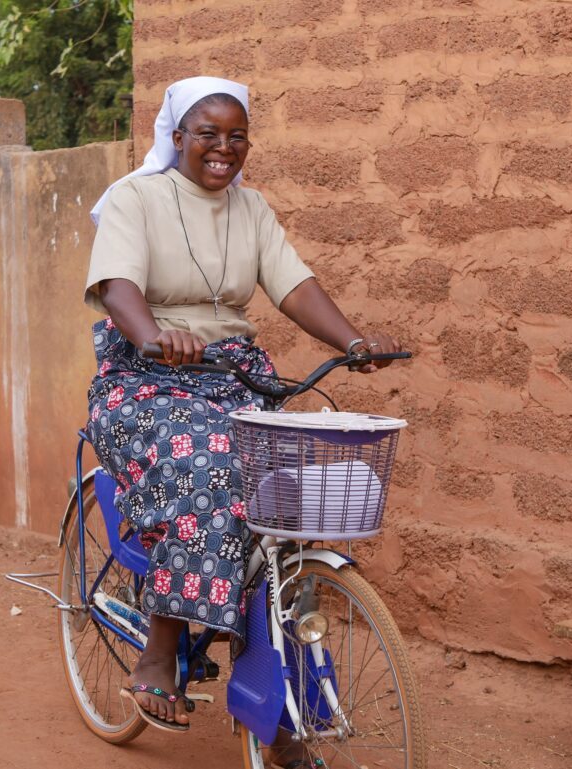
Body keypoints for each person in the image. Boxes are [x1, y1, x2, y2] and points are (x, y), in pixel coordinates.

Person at [83, 76, 399, 735]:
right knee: (209, 466)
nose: (223, 148)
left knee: (287, 474)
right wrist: (152, 335)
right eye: (207, 135)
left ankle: (274, 673)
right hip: (147, 377)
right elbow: (116, 284)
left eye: (237, 137)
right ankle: (160, 651)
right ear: (177, 139)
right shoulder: (136, 199)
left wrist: (354, 340)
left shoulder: (251, 210)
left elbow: (293, 284)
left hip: (231, 374)